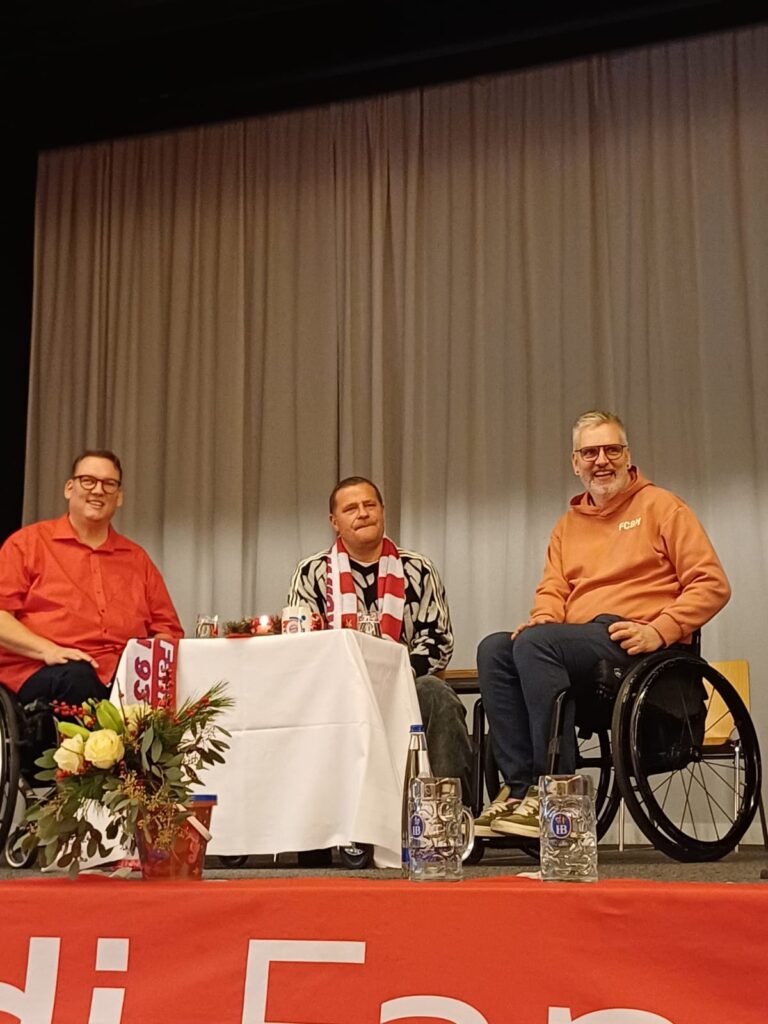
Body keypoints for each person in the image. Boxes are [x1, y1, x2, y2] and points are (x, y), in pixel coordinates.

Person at [475, 410, 731, 838]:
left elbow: (712, 585)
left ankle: (558, 791)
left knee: (537, 644)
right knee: (495, 649)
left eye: (612, 450)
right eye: (590, 453)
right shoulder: (567, 527)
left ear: (627, 457)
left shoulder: (662, 507)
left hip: (637, 644)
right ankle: (519, 790)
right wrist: (541, 620)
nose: (602, 461)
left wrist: (660, 629)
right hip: (577, 643)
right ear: (575, 462)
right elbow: (553, 590)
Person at [288, 476, 473, 799]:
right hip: (338, 690)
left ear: (382, 511)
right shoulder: (311, 573)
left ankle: (448, 812)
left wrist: (394, 674)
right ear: (334, 521)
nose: (362, 513)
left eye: (369, 505)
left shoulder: (418, 568)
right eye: (351, 509)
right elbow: (302, 646)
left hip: (407, 685)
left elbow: (438, 641)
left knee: (439, 696)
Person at [0, 449, 184, 708]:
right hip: (44, 668)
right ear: (69, 488)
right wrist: (48, 650)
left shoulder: (136, 558)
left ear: (119, 497)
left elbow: (168, 630)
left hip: (123, 675)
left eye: (109, 484)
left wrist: (148, 663)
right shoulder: (27, 544)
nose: (98, 490)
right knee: (78, 677)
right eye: (88, 481)